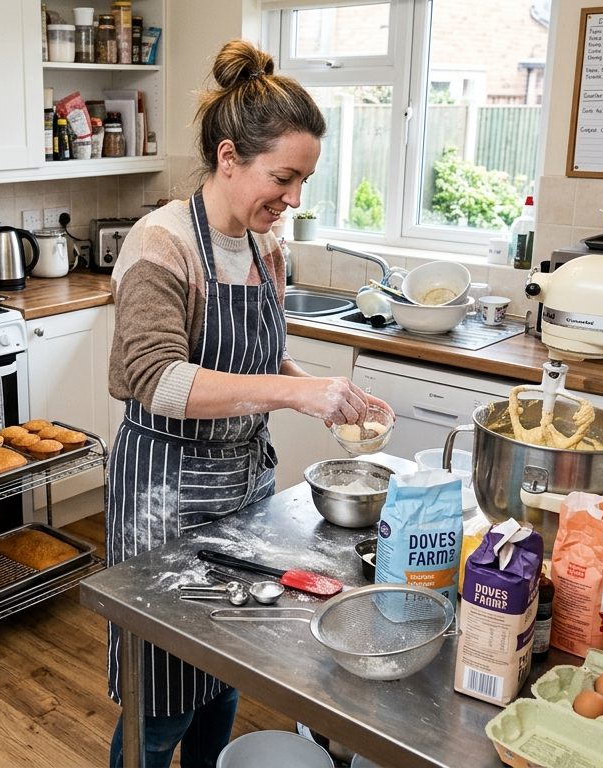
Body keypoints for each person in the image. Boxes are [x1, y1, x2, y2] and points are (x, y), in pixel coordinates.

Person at [104, 39, 394, 768]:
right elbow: (156, 378)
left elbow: (256, 360)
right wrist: (297, 390)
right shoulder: (161, 244)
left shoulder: (267, 248)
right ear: (229, 157)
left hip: (243, 486)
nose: (294, 199)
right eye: (283, 178)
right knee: (162, 704)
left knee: (226, 677)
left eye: (303, 181)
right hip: (165, 497)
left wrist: (328, 398)